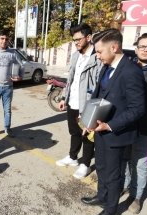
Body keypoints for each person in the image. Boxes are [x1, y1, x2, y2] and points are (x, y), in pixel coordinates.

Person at [80, 29, 145, 215]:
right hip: (99, 129)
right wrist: (87, 120)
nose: (97, 56)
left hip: (115, 132)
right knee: (100, 167)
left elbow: (137, 109)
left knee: (113, 174)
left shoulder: (131, 72)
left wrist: (109, 125)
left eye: (99, 52)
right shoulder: (106, 66)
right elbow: (98, 97)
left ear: (114, 47)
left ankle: (111, 210)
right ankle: (101, 196)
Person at [121, 33, 147, 214]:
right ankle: (125, 184)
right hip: (126, 123)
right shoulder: (127, 67)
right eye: (142, 46)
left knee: (140, 162)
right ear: (136, 48)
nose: (145, 49)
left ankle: (136, 197)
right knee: (125, 158)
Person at [55, 23, 103, 179]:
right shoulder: (76, 55)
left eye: (78, 39)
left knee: (87, 135)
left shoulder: (97, 57)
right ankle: (73, 157)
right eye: (74, 40)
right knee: (74, 132)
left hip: (87, 104)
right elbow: (71, 80)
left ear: (89, 37)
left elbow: (98, 85)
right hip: (72, 102)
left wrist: (94, 108)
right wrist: (64, 97)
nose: (76, 43)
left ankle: (86, 164)